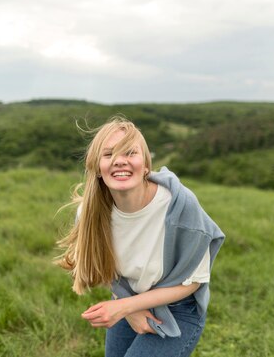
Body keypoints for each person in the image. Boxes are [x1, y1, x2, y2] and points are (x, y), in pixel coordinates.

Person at [55, 116, 225, 357]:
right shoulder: (90, 213)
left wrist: (124, 307)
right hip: (128, 297)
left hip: (178, 309)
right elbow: (103, 267)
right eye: (109, 154)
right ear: (97, 168)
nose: (120, 161)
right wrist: (130, 308)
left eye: (130, 153)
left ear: (146, 165)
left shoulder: (179, 207)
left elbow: (194, 281)